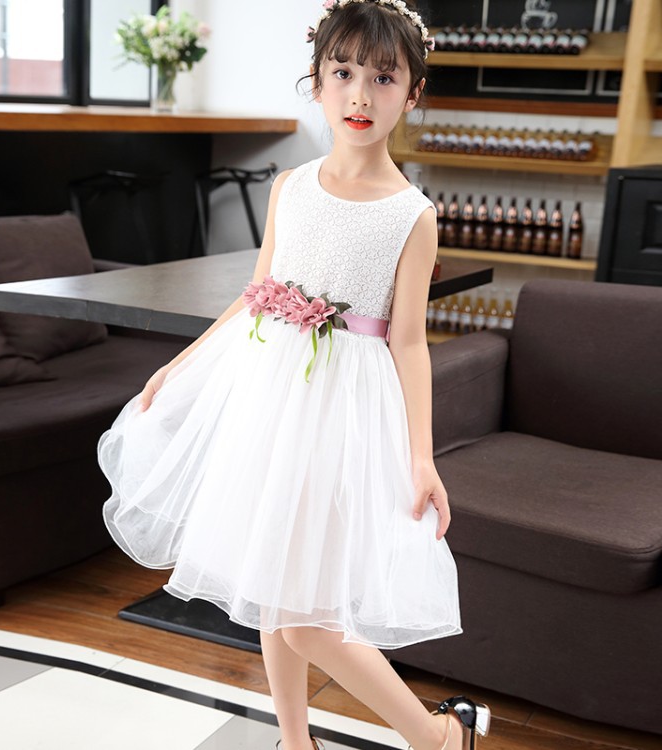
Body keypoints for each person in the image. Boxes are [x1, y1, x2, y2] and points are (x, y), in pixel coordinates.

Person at [98, 1, 491, 748]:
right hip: (269, 395)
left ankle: (440, 736)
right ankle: (296, 741)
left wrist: (422, 457)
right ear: (316, 79)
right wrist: (179, 365)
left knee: (305, 612)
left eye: (383, 78)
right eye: (343, 72)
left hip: (343, 409)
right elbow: (256, 295)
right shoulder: (291, 186)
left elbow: (409, 342)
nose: (359, 94)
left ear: (412, 93)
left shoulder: (412, 214)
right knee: (272, 580)